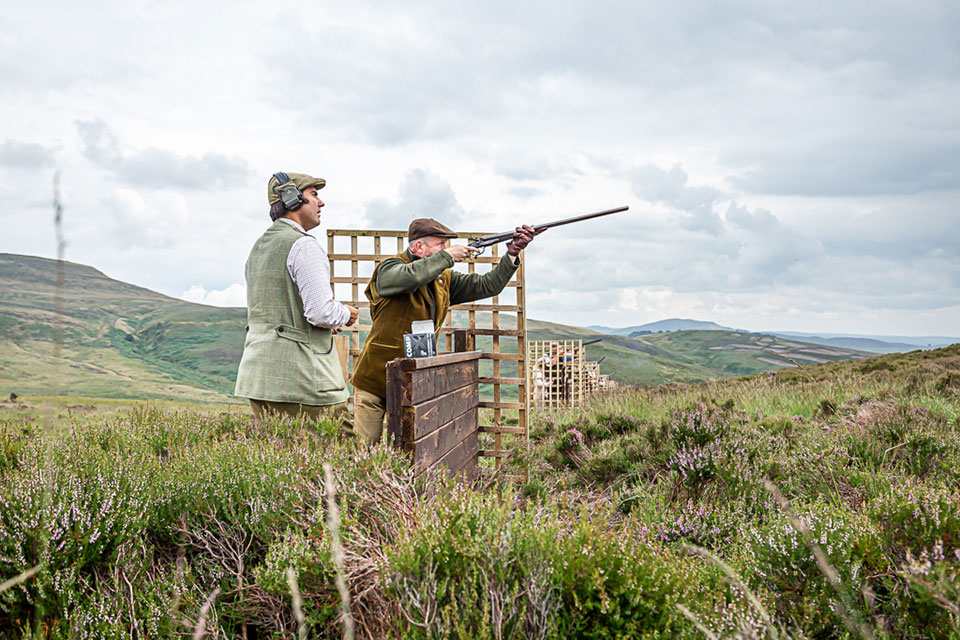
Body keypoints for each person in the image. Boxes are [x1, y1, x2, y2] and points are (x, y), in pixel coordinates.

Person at [351, 218, 541, 442]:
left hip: (413, 382)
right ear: (418, 247)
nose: (446, 249)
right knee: (364, 449)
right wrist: (448, 257)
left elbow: (487, 285)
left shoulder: (442, 278)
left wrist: (512, 253)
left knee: (409, 451)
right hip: (375, 380)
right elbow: (409, 277)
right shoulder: (389, 268)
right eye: (441, 245)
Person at [235, 172, 360, 424]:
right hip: (304, 381)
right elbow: (321, 313)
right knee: (340, 455)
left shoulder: (258, 248)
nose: (320, 203)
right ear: (291, 199)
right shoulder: (304, 245)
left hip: (260, 379)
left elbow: (280, 310)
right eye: (314, 195)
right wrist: (347, 314)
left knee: (281, 456)